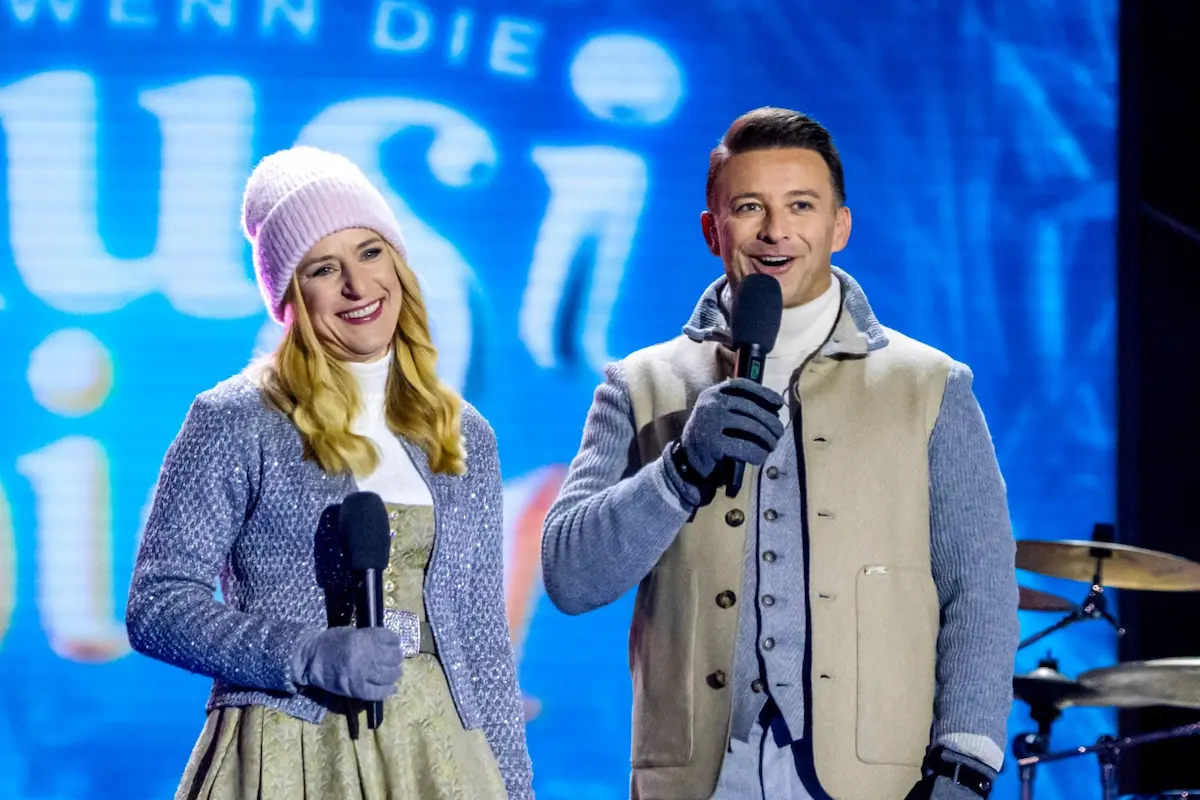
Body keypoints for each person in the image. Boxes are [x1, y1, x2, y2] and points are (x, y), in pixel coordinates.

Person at [540, 107, 1019, 800]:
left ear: (839, 226)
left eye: (801, 205)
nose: (775, 231)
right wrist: (679, 471)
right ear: (713, 230)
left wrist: (965, 763)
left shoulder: (930, 385)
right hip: (701, 776)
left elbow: (980, 586)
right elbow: (568, 576)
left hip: (881, 778)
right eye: (749, 207)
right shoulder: (638, 384)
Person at [126, 145, 534, 800]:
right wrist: (306, 654)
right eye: (323, 267)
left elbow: (483, 642)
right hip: (290, 751)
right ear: (289, 295)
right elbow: (157, 604)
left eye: (370, 252)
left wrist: (513, 785)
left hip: (439, 759)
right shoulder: (234, 419)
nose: (356, 285)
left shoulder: (462, 435)